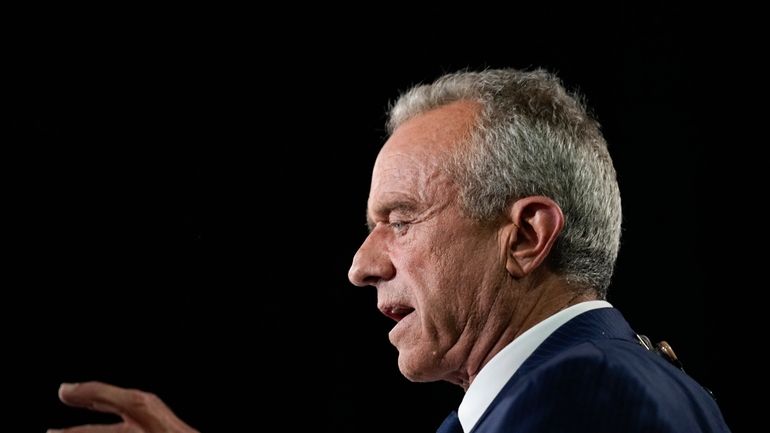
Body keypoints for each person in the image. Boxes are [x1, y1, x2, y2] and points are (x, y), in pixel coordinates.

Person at [346, 68, 731, 432]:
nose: (361, 267)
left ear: (527, 237)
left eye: (400, 221)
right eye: (373, 227)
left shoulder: (580, 396)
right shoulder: (623, 379)